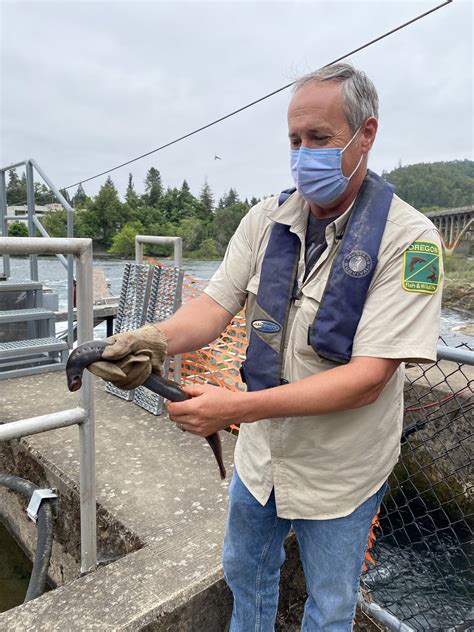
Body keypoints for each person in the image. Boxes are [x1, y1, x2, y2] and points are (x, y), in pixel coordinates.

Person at [90, 63, 443, 631]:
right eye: (295, 141)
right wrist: (149, 339)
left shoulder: (412, 242)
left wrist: (232, 409)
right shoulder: (264, 220)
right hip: (261, 460)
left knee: (329, 607)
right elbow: (211, 308)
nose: (304, 155)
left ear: (366, 134)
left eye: (321, 139)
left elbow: (368, 379)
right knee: (244, 571)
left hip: (340, 471)